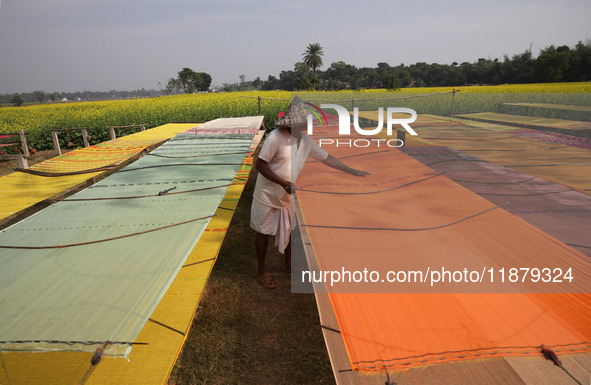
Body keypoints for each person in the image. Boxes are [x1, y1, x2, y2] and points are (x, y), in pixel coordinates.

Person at [250, 97, 370, 289]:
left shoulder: (305, 141)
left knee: (291, 229)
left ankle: (289, 266)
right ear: (294, 123)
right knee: (263, 231)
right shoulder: (275, 137)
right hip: (267, 194)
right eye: (305, 123)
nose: (307, 126)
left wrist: (353, 171)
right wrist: (283, 183)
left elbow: (328, 158)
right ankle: (262, 270)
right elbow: (260, 165)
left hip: (287, 194)